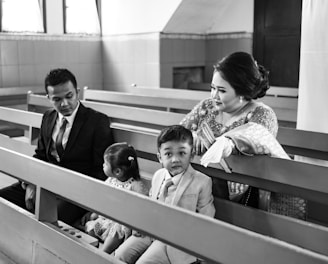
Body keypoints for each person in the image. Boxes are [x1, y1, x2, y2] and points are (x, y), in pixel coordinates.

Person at [180, 51, 306, 219]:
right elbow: (177, 133)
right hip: (196, 187)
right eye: (212, 88)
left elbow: (257, 138)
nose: (213, 96)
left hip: (240, 197)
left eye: (221, 90)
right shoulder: (207, 106)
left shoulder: (261, 114)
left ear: (241, 91)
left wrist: (228, 142)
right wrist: (190, 136)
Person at [0, 68, 114, 224]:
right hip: (46, 182)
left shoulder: (97, 121)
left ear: (77, 92)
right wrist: (31, 184)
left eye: (69, 96)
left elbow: (100, 172)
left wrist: (68, 193)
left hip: (77, 192)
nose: (64, 104)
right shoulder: (48, 117)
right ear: (48, 98)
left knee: (48, 218)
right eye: (57, 99)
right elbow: (40, 156)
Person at [114, 125, 215, 264]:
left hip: (176, 241)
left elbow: (207, 218)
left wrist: (203, 256)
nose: (175, 159)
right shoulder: (158, 175)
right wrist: (142, 225)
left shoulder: (202, 182)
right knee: (120, 255)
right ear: (159, 157)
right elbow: (151, 205)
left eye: (182, 153)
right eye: (168, 154)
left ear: (191, 155)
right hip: (151, 231)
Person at [82, 142, 148, 254]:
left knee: (113, 237)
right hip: (107, 218)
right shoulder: (111, 181)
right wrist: (95, 213)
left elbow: (143, 209)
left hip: (122, 223)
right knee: (91, 228)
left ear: (117, 171)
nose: (103, 165)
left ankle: (104, 253)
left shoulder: (135, 186)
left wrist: (138, 227)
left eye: (105, 164)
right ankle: (94, 245)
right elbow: (104, 198)